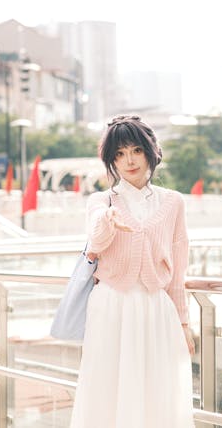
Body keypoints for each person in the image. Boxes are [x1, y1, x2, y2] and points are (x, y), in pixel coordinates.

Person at [70, 114, 195, 427]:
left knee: (158, 393)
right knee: (107, 393)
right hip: (111, 307)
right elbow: (95, 241)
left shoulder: (173, 203)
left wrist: (183, 321)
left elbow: (178, 270)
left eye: (136, 151)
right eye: (119, 154)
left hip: (156, 309)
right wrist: (107, 220)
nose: (129, 161)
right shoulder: (101, 201)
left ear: (150, 151)